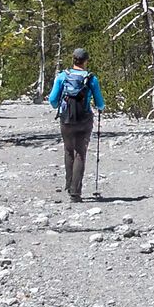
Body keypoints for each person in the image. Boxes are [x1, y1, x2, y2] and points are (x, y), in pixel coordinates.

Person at [48, 48, 103, 200]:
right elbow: (99, 102)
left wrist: (58, 106)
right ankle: (75, 191)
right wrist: (100, 108)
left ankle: (69, 183)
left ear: (73, 59)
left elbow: (52, 99)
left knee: (68, 150)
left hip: (66, 119)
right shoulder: (91, 78)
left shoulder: (62, 76)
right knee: (80, 152)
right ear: (86, 61)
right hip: (84, 119)